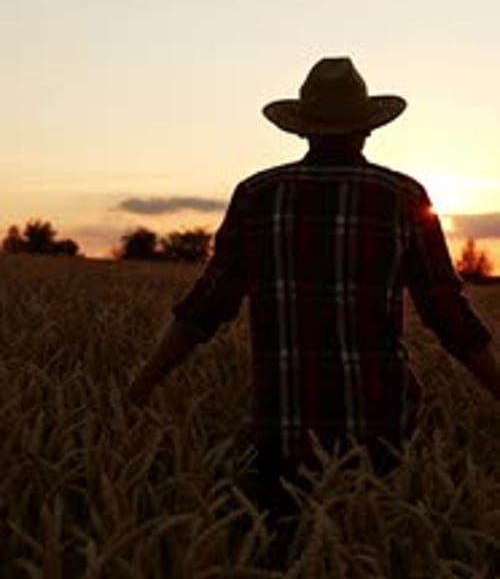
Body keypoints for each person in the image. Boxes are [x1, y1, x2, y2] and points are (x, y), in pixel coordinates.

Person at [128, 57, 500, 553]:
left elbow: (203, 310)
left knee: (277, 576)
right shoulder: (404, 198)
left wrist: (142, 383)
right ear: (366, 130)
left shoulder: (258, 195)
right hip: (380, 432)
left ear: (302, 130)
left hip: (280, 434)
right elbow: (449, 316)